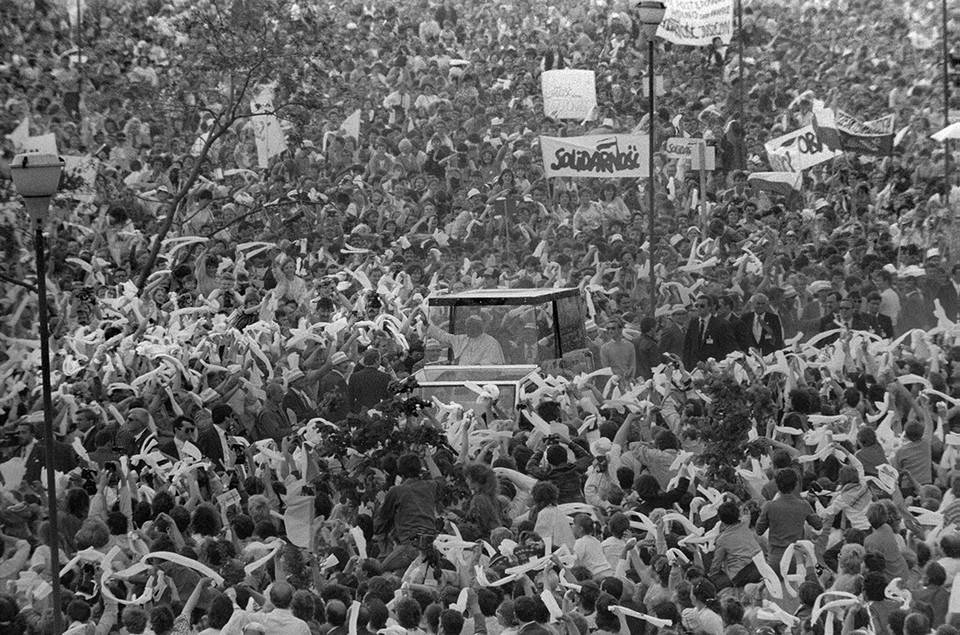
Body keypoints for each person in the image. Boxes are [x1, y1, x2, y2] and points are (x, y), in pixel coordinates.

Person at [374, 453, 443, 573]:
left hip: (410, 546)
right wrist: (428, 457)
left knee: (379, 571)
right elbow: (440, 480)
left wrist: (382, 501)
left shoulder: (396, 491)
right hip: (432, 545)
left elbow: (383, 516)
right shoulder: (430, 486)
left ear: (400, 470)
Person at [755, 468, 823, 567]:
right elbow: (818, 525)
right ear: (796, 485)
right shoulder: (803, 505)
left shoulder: (769, 506)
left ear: (777, 485)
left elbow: (759, 530)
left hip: (775, 560)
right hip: (796, 558)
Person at [425, 314, 505, 365]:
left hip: (481, 379)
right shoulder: (463, 339)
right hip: (462, 376)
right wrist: (427, 325)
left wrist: (479, 365)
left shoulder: (491, 342)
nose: (467, 329)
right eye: (466, 327)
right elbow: (444, 336)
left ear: (479, 327)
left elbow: (494, 362)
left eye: (470, 327)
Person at [683, 295, 735, 368]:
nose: (699, 308)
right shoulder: (693, 323)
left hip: (713, 368)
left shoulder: (721, 324)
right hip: (694, 367)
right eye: (697, 305)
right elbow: (688, 346)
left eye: (702, 306)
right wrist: (686, 365)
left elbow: (728, 348)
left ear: (710, 307)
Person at [347, 349, 394, 413]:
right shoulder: (385, 377)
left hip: (360, 412)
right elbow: (390, 398)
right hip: (378, 413)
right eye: (380, 359)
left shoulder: (354, 377)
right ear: (376, 360)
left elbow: (350, 398)